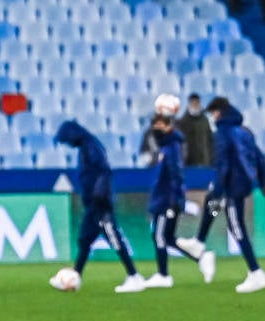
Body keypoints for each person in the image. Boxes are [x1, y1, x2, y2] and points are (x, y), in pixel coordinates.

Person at [52, 121, 144, 293]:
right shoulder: (88, 147)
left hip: (99, 204)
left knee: (114, 238)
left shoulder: (90, 148)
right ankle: (76, 276)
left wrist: (100, 196)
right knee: (84, 240)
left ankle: (134, 276)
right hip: (93, 204)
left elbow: (103, 172)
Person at [201, 96, 265, 294]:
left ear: (219, 112)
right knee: (236, 226)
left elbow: (222, 164)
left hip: (232, 185)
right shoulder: (244, 131)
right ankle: (255, 272)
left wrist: (217, 191)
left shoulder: (223, 133)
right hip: (243, 183)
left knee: (236, 226)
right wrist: (264, 181)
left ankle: (256, 273)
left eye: (213, 113)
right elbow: (259, 157)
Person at [145, 112, 187, 288]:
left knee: (160, 236)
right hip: (161, 198)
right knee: (163, 236)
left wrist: (174, 200)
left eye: (160, 125)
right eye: (155, 126)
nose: (157, 129)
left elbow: (175, 176)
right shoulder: (165, 147)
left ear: (169, 126)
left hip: (167, 200)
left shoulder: (172, 147)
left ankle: (163, 274)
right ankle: (200, 257)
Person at [175, 93, 214, 168]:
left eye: (197, 103)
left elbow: (210, 140)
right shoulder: (183, 122)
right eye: (193, 103)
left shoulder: (205, 121)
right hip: (188, 162)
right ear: (189, 104)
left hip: (204, 162)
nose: (195, 105)